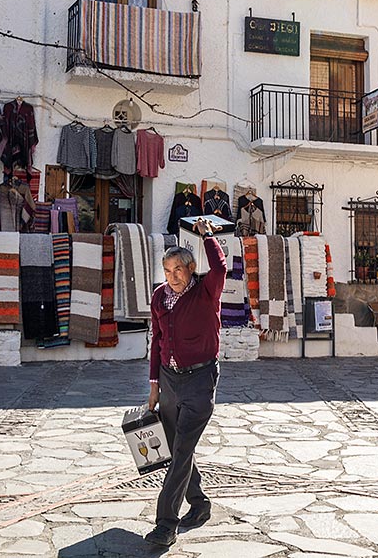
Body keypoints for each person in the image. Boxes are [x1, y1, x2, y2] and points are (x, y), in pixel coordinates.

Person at [144, 217, 225, 547]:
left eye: (178, 269)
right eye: (167, 270)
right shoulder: (160, 297)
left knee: (179, 453)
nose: (173, 276)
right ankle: (200, 504)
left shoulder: (207, 291)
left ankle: (166, 523)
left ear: (191, 269)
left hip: (199, 381)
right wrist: (153, 385)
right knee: (179, 449)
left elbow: (219, 268)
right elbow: (157, 339)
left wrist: (207, 237)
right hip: (168, 381)